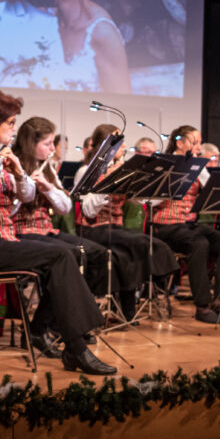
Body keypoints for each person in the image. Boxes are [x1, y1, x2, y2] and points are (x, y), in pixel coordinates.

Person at [0, 89, 114, 374]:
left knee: (63, 256)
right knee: (60, 256)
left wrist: (18, 173)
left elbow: (27, 196)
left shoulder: (1, 155)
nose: (15, 129)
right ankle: (76, 348)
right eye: (11, 123)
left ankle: (62, 339)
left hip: (2, 241)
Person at [73, 123, 178, 323]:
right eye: (118, 143)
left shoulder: (122, 169)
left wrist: (158, 185)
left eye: (122, 143)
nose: (123, 147)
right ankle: (160, 277)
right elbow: (88, 210)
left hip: (115, 228)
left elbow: (141, 201)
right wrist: (110, 180)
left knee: (129, 253)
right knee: (142, 243)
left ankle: (125, 312)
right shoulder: (85, 171)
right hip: (92, 229)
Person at [151, 125, 220, 324]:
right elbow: (150, 201)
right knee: (199, 243)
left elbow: (211, 191)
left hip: (189, 224)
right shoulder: (163, 163)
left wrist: (199, 171)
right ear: (180, 142)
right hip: (165, 225)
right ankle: (202, 306)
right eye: (195, 142)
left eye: (200, 142)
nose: (199, 146)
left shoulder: (197, 165)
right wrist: (171, 182)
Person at [11, 117, 109, 297]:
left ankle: (86, 303)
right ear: (31, 144)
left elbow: (65, 208)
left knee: (97, 253)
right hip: (21, 232)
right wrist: (24, 184)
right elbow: (8, 210)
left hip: (46, 230)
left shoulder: (46, 169)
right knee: (71, 254)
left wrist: (48, 189)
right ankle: (54, 317)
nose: (52, 148)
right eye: (47, 143)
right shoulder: (13, 165)